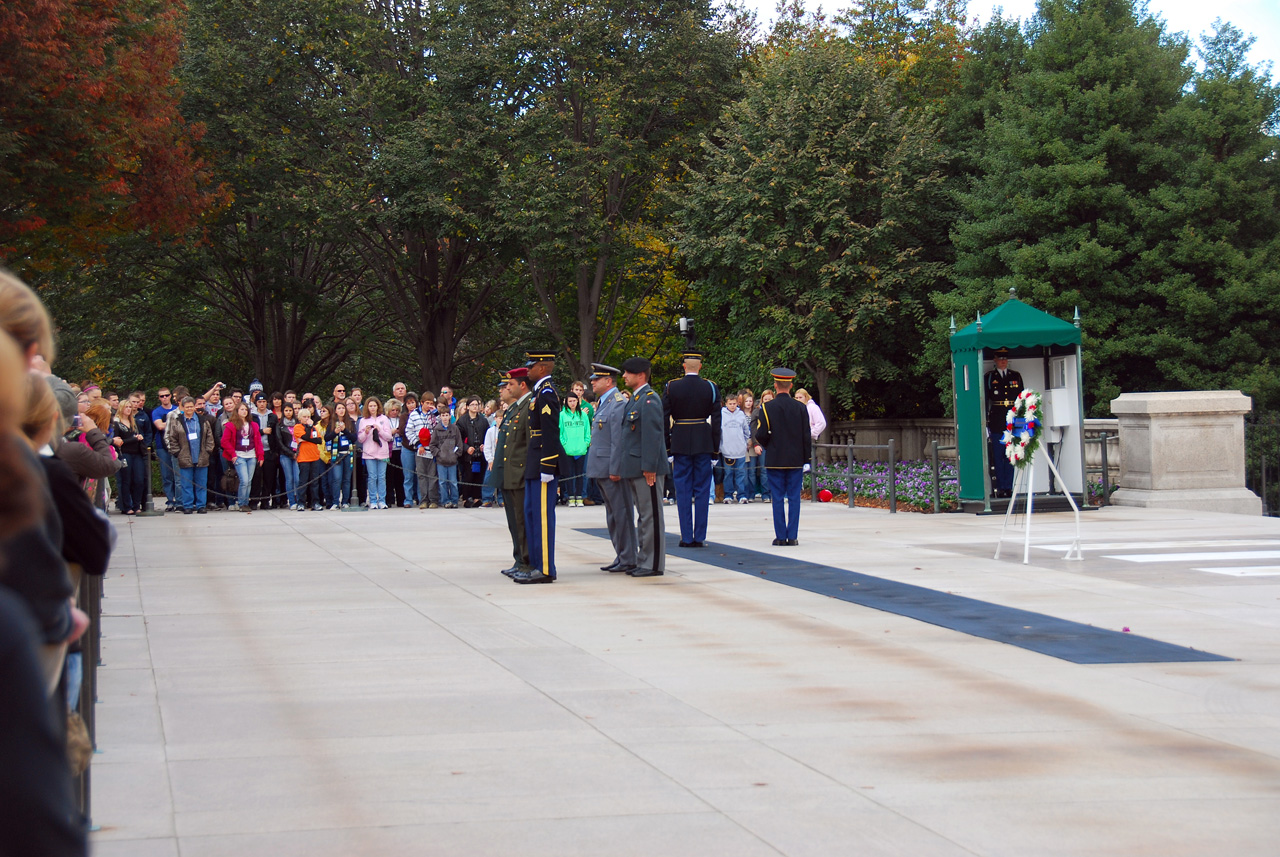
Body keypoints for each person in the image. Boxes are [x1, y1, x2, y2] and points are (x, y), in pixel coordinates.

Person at [615, 357, 667, 577]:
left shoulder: (649, 400)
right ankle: (644, 559)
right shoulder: (636, 399)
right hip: (637, 466)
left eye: (628, 373)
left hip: (647, 469)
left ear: (641, 375)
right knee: (644, 516)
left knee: (651, 515)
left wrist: (649, 467)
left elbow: (652, 436)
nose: (624, 376)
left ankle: (652, 564)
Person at [514, 349, 563, 584]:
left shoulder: (547, 393)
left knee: (542, 516)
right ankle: (534, 563)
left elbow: (551, 432)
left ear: (542, 368)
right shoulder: (538, 393)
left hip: (543, 461)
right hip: (534, 460)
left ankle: (545, 568)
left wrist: (548, 465)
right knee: (532, 513)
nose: (528, 370)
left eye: (531, 366)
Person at [663, 349, 720, 548]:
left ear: (684, 366)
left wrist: (668, 448)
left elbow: (664, 418)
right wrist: (715, 450)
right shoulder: (710, 387)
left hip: (679, 439)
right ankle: (700, 536)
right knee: (703, 490)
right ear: (700, 366)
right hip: (703, 441)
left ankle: (686, 537)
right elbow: (717, 421)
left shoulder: (672, 386)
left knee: (683, 490)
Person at [752, 368, 812, 546]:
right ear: (791, 386)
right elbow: (806, 436)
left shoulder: (766, 407)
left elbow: (761, 433)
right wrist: (806, 460)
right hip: (795, 460)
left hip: (775, 459)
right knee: (794, 498)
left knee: (777, 498)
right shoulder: (801, 407)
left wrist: (769, 444)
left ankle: (780, 536)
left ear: (775, 385)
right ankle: (792, 536)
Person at [586, 363, 636, 573]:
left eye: (596, 379)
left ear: (608, 381)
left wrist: (616, 469)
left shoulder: (617, 404)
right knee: (613, 515)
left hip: (611, 469)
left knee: (621, 514)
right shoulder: (604, 403)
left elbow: (618, 441)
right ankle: (622, 555)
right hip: (602, 467)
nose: (592, 382)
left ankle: (628, 557)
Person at [498, 369, 533, 576]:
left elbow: (529, 445)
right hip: (509, 474)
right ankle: (519, 559)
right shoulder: (515, 409)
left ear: (522, 385)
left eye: (510, 384)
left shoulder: (528, 407)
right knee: (514, 521)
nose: (506, 388)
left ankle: (526, 561)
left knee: (521, 521)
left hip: (519, 474)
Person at [166, 396, 216, 514]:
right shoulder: (177, 421)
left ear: (194, 407)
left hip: (201, 456)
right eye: (187, 407)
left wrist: (208, 451)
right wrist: (177, 453)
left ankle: (201, 505)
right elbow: (172, 438)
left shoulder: (203, 420)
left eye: (191, 406)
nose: (189, 409)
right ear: (182, 408)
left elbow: (210, 437)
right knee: (186, 483)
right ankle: (187, 505)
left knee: (201, 483)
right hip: (185, 456)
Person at [985, 347, 1023, 498]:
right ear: (995, 360)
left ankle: (1009, 487)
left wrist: (1019, 424)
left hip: (1012, 422)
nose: (1003, 362)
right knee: (998, 455)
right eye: (1000, 359)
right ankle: (1000, 487)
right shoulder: (989, 377)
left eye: (1005, 359)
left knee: (1010, 455)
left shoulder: (1016, 376)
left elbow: (1021, 401)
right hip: (997, 421)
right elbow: (985, 399)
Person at [221, 402, 263, 512]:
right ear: (237, 411)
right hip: (239, 455)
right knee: (244, 480)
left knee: (249, 481)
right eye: (241, 409)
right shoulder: (231, 425)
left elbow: (258, 441)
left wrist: (260, 455)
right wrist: (233, 455)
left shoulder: (253, 425)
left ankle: (245, 502)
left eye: (246, 410)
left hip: (252, 455)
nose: (244, 411)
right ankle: (241, 503)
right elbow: (224, 441)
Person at [111, 400, 148, 514]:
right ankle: (127, 506)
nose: (128, 409)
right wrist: (134, 439)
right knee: (126, 480)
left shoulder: (134, 422)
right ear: (121, 408)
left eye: (129, 407)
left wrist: (139, 438)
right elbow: (117, 441)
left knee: (139, 480)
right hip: (125, 453)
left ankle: (137, 505)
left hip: (136, 453)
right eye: (126, 407)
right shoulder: (116, 423)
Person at [358, 396, 393, 509]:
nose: (372, 408)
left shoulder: (384, 419)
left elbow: (388, 437)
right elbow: (360, 439)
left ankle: (382, 500)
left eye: (374, 406)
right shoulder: (363, 420)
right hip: (369, 453)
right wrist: (366, 432)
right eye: (370, 406)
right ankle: (373, 500)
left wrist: (380, 430)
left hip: (382, 452)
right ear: (367, 407)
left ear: (378, 407)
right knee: (372, 477)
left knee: (381, 476)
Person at [455, 396, 489, 508]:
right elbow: (458, 438)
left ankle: (477, 497)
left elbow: (487, 435)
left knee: (478, 476)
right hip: (468, 455)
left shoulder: (483, 420)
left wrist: (485, 444)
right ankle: (466, 498)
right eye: (473, 404)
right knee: (467, 476)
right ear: (468, 406)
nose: (475, 407)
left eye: (477, 404)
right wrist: (466, 448)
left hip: (480, 453)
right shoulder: (462, 421)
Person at [559, 390, 590, 506]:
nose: (572, 403)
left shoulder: (583, 415)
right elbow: (560, 432)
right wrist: (564, 444)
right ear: (566, 402)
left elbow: (588, 431)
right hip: (568, 450)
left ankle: (579, 497)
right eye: (570, 401)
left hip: (581, 449)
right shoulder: (562, 415)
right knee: (569, 475)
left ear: (578, 401)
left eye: (574, 401)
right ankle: (571, 497)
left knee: (580, 475)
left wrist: (586, 443)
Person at [720, 393, 751, 503]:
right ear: (726, 404)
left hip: (740, 449)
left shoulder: (741, 414)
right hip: (727, 450)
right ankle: (728, 494)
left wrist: (746, 441)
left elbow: (746, 430)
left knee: (740, 474)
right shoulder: (722, 414)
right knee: (728, 474)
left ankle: (741, 494)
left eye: (734, 404)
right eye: (730, 404)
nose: (732, 406)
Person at [249, 394, 278, 509]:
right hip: (255, 450)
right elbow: (250, 432)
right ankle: (254, 500)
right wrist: (262, 431)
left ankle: (266, 500)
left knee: (269, 477)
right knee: (255, 477)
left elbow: (276, 434)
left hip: (268, 450)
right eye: (259, 402)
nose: (262, 404)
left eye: (264, 401)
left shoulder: (272, 416)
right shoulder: (251, 416)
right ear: (256, 403)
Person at [326, 402, 356, 509]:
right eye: (339, 408)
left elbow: (354, 438)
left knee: (347, 479)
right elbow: (326, 438)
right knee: (337, 478)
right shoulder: (331, 423)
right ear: (335, 411)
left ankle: (345, 501)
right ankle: (335, 502)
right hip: (337, 454)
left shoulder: (350, 422)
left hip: (348, 454)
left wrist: (345, 431)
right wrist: (335, 432)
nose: (341, 410)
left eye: (343, 408)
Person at [430, 406, 462, 508]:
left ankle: (454, 500)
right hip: (441, 461)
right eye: (443, 415)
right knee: (442, 482)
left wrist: (456, 454)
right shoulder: (437, 429)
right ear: (440, 417)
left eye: (446, 415)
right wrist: (438, 453)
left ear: (450, 416)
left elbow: (459, 444)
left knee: (453, 482)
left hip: (452, 461)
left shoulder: (455, 429)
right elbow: (432, 445)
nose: (444, 417)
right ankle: (445, 501)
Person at [293, 407, 324, 511]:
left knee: (315, 482)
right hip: (303, 458)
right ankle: (301, 503)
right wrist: (309, 430)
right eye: (304, 417)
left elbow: (319, 440)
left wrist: (308, 437)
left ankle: (315, 502)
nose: (307, 419)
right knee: (303, 481)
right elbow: (305, 436)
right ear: (300, 418)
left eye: (308, 417)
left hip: (314, 456)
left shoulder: (314, 428)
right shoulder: (298, 427)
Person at [397, 392, 420, 507]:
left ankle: (421, 498)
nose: (411, 405)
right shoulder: (403, 416)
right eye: (408, 403)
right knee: (408, 475)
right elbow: (401, 431)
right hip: (407, 447)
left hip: (420, 448)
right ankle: (408, 499)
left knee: (420, 475)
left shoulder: (421, 414)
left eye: (413, 402)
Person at [276, 402, 300, 509]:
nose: (289, 412)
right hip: (285, 455)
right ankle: (292, 501)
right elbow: (279, 443)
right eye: (286, 410)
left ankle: (299, 499)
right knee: (289, 479)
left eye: (290, 410)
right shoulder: (280, 426)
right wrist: (291, 454)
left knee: (298, 478)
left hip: (298, 453)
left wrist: (297, 453)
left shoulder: (298, 423)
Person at [384, 399, 406, 508]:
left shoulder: (400, 419)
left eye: (397, 410)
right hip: (389, 450)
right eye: (392, 410)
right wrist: (391, 432)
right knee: (389, 476)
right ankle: (389, 499)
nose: (394, 412)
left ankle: (401, 499)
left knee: (400, 476)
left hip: (400, 449)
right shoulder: (385, 420)